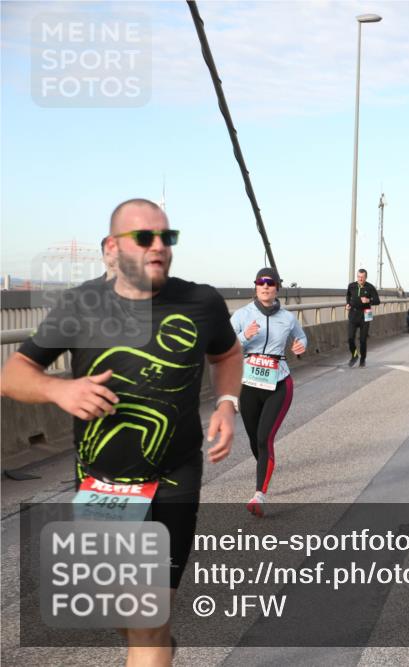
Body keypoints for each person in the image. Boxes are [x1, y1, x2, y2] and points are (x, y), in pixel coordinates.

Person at [0, 198, 241, 664]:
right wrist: (58, 390)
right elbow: (13, 374)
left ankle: (154, 643)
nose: (159, 247)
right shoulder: (79, 305)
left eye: (166, 238)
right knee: (123, 610)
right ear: (111, 248)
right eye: (144, 237)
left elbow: (227, 355)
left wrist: (227, 405)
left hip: (175, 476)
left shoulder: (201, 301)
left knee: (148, 616)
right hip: (103, 484)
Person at [230, 267, 306, 517]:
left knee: (264, 438)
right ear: (255, 286)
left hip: (279, 383)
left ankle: (259, 495)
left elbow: (301, 338)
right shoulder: (242, 315)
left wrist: (299, 346)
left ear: (277, 288)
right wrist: (244, 336)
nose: (265, 286)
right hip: (249, 385)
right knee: (254, 439)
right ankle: (265, 467)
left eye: (270, 283)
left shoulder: (288, 318)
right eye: (261, 282)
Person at [345, 268, 380, 367]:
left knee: (363, 339)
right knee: (350, 338)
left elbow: (377, 301)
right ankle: (354, 355)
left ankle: (363, 359)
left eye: (362, 277)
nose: (360, 279)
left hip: (365, 314)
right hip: (353, 314)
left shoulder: (370, 287)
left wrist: (368, 300)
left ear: (366, 277)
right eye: (358, 277)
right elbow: (348, 296)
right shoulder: (351, 286)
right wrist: (347, 304)